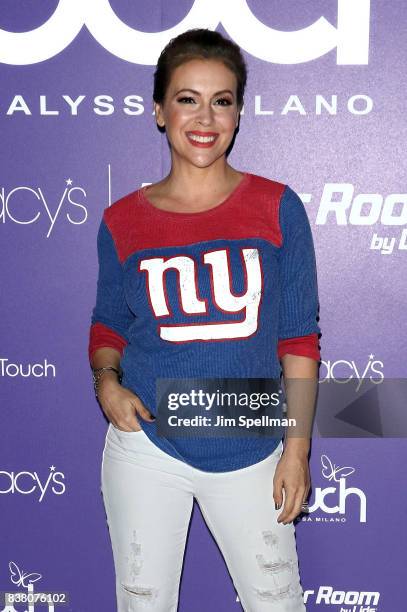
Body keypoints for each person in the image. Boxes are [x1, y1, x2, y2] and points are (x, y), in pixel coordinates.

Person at [88, 28, 321, 612]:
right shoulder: (123, 221)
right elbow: (108, 324)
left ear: (239, 113)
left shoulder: (275, 207)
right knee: (143, 602)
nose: (206, 117)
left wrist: (296, 451)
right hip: (147, 444)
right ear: (159, 111)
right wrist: (107, 381)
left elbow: (298, 339)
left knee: (277, 602)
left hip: (252, 438)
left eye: (222, 100)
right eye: (188, 98)